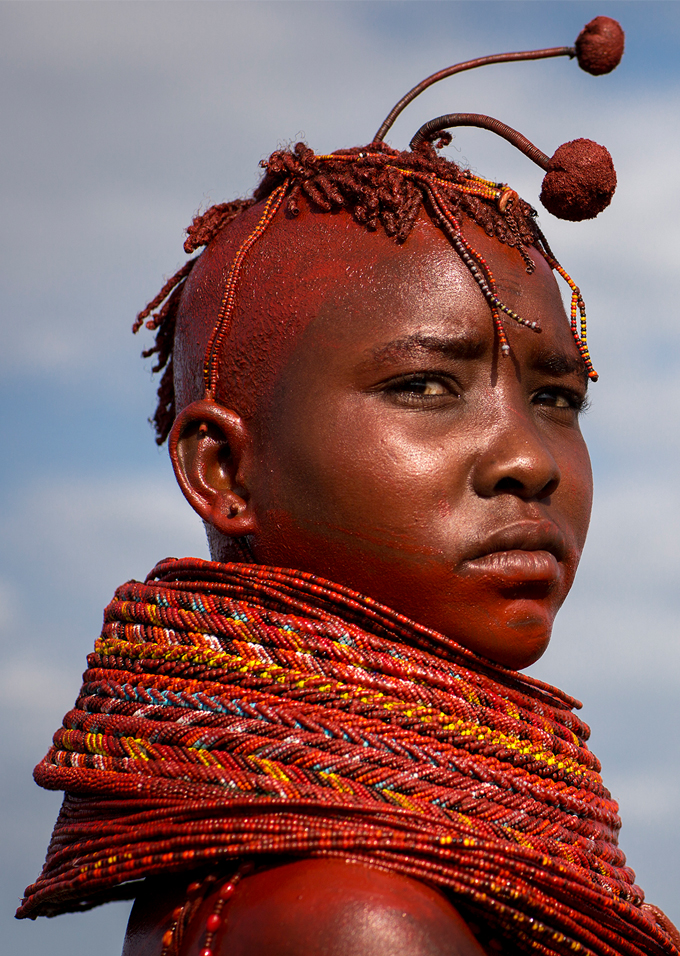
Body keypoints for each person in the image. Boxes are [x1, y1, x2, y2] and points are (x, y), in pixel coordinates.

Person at [16, 15, 680, 956]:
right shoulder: (356, 919)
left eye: (557, 397)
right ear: (222, 469)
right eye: (422, 386)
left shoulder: (371, 884)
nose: (529, 458)